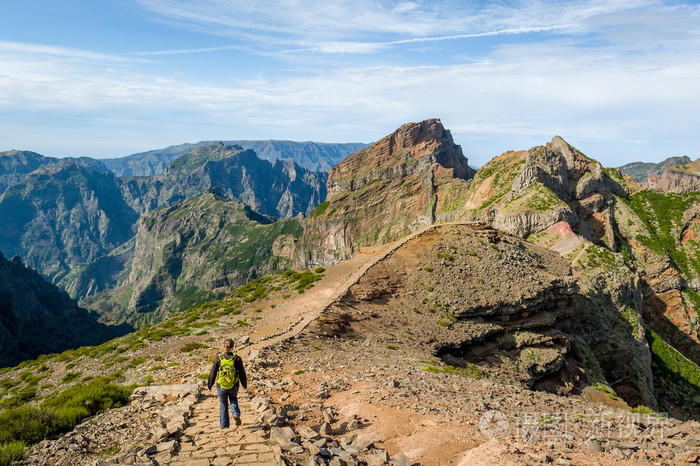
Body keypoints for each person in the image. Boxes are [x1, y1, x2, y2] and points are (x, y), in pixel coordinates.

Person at [207, 338, 248, 429]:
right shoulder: (237, 359)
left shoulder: (218, 359)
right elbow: (242, 373)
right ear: (233, 348)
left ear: (223, 347)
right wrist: (244, 384)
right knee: (233, 398)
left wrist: (210, 384)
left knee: (223, 404)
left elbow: (212, 373)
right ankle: (235, 413)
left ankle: (224, 426)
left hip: (221, 386)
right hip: (233, 385)